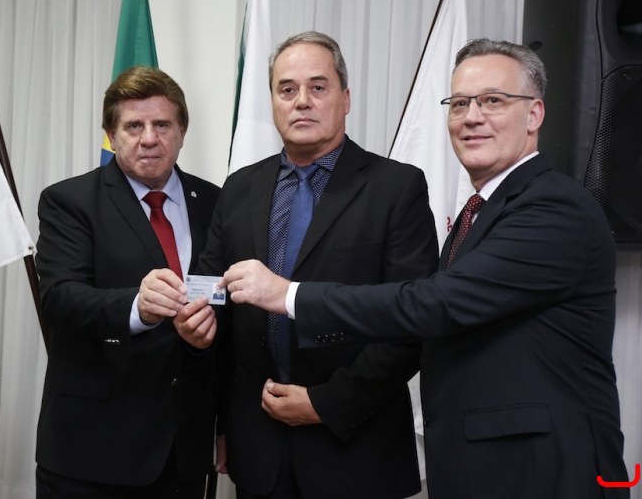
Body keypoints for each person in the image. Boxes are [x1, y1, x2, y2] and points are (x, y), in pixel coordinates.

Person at [221, 38, 630, 499]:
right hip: (479, 465)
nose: (471, 117)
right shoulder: (482, 211)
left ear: (534, 114)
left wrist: (288, 295)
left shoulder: (554, 207)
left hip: (544, 470)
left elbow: (434, 304)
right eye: (459, 103)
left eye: (493, 101)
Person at [193, 31, 439, 498]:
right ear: (273, 102)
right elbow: (212, 291)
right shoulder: (239, 187)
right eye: (287, 89)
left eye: (318, 87)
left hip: (355, 448)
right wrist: (191, 317)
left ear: (345, 99)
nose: (301, 101)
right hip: (258, 450)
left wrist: (326, 403)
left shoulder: (396, 187)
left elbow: (413, 322)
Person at [34, 66, 221, 498]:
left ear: (182, 131)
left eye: (162, 125)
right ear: (111, 135)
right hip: (93, 449)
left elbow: (228, 314)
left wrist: (224, 425)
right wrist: (137, 307)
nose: (149, 138)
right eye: (134, 126)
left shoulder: (215, 201)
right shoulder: (70, 201)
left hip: (183, 450)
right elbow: (60, 298)